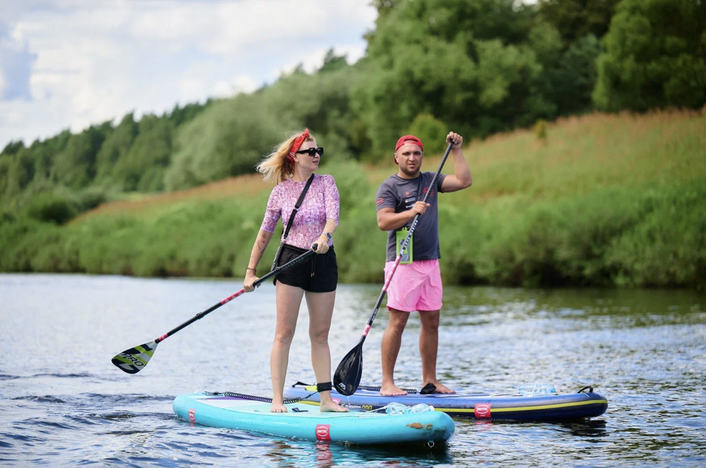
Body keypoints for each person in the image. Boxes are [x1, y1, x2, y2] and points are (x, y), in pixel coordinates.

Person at [243, 129, 347, 413]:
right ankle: (277, 399)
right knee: (284, 333)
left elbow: (333, 217)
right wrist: (251, 272)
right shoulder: (280, 192)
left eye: (318, 151)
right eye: (310, 152)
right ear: (294, 157)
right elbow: (264, 234)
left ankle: (326, 400)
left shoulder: (327, 182)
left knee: (320, 334)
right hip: (291, 261)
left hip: (322, 260)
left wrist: (324, 237)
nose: (316, 156)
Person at [375, 132, 473, 396]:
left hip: (430, 262)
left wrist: (456, 150)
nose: (411, 158)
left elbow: (464, 180)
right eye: (406, 153)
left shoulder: (431, 179)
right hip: (402, 263)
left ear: (422, 157)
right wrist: (410, 213)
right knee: (398, 322)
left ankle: (430, 381)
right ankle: (387, 382)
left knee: (432, 322)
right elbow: (383, 222)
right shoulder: (389, 187)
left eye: (416, 153)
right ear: (396, 157)